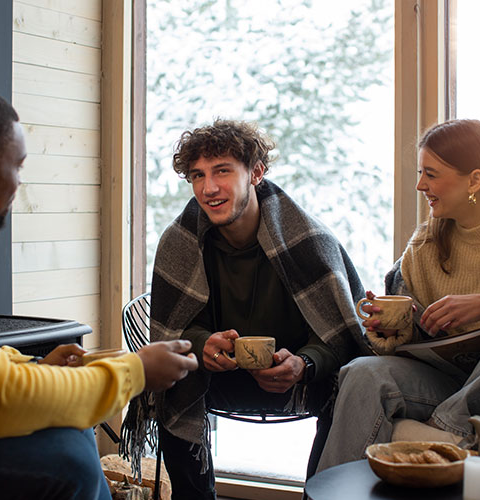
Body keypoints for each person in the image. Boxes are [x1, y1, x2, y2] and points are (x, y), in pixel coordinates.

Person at [0, 83, 199, 500]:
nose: (19, 183)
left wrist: (38, 367)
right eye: (18, 166)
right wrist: (136, 372)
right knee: (69, 462)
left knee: (69, 431)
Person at [121, 119, 367, 499]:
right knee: (172, 373)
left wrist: (305, 363)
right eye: (197, 175)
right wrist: (201, 344)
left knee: (352, 384)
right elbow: (173, 332)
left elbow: (342, 336)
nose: (209, 188)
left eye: (222, 171)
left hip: (296, 381)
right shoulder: (180, 241)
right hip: (216, 381)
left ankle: (319, 496)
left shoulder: (310, 242)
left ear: (256, 173)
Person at [316, 119, 480, 470]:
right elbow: (412, 338)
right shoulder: (424, 246)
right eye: (421, 172)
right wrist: (394, 332)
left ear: (475, 180)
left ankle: (444, 430)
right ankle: (333, 494)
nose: (420, 185)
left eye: (431, 174)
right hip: (446, 382)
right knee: (362, 372)